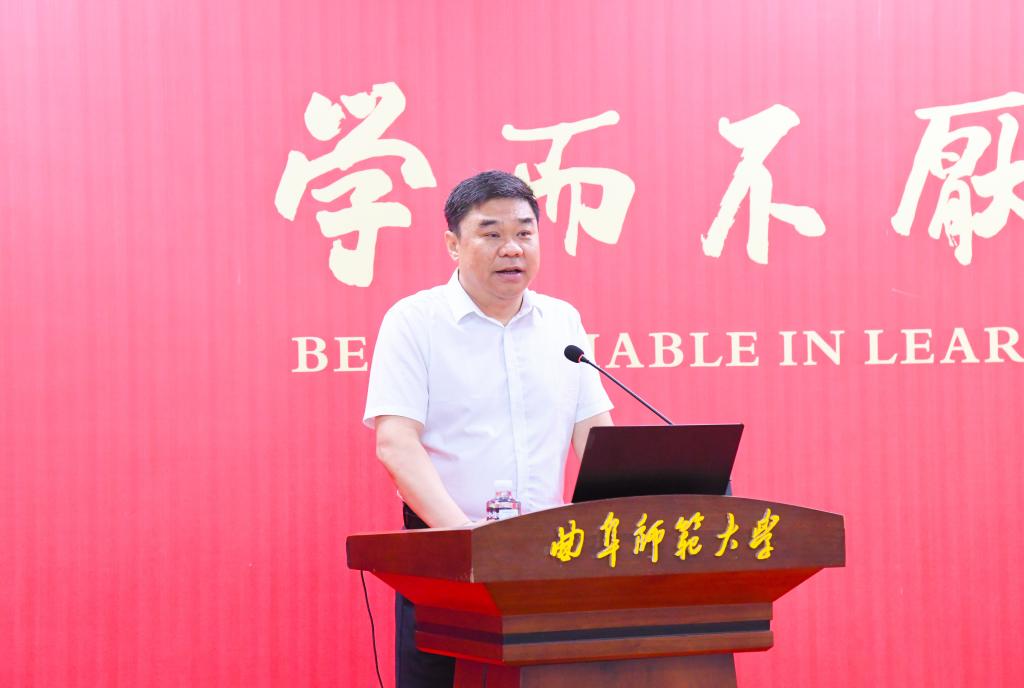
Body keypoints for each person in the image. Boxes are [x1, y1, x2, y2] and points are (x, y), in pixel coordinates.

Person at [363, 170, 613, 687]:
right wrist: (468, 542)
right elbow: (396, 443)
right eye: (492, 233)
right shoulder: (414, 321)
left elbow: (594, 434)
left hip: (547, 562)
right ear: (453, 244)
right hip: (445, 567)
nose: (512, 248)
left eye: (524, 232)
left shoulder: (562, 323)